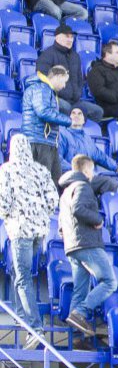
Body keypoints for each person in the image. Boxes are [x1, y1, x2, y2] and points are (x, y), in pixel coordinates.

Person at [0, 134, 57, 345]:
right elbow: (53, 199)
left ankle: (34, 328)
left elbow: (3, 202)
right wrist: (40, 215)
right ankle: (20, 315)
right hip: (38, 233)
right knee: (18, 271)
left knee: (23, 277)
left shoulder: (7, 170)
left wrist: (7, 215)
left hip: (19, 230)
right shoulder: (40, 170)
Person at [59, 155, 118, 337]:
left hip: (72, 246)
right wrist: (98, 219)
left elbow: (61, 224)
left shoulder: (66, 191)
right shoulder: (83, 186)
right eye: (92, 171)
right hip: (87, 243)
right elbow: (78, 209)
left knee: (80, 290)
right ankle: (80, 312)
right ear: (86, 171)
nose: (92, 175)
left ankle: (76, 338)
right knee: (110, 282)